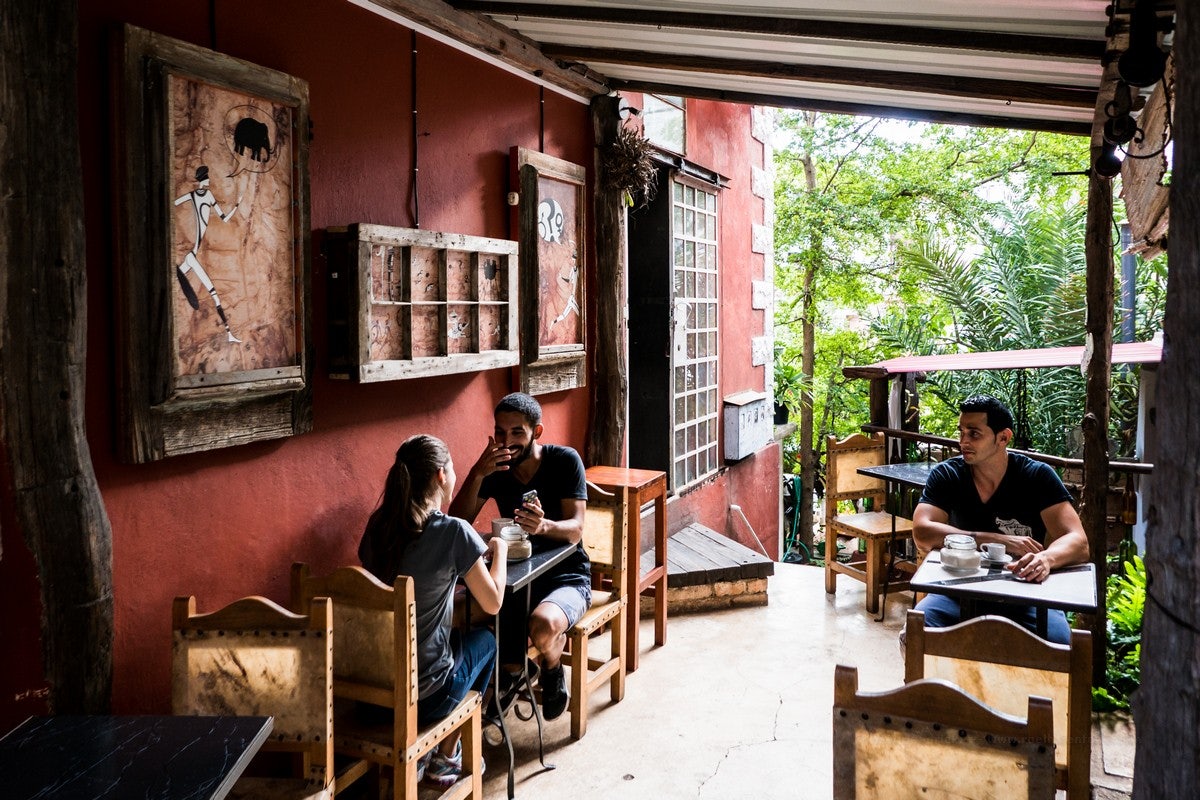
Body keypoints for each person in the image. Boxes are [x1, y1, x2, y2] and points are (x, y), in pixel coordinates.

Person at [359, 434, 508, 788]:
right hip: (425, 698)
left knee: (452, 640)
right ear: (441, 475)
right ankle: (445, 755)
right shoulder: (453, 532)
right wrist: (498, 550)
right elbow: (493, 602)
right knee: (487, 642)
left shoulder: (378, 526)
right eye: (454, 468)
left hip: (373, 694)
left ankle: (427, 755)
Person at [448, 392, 589, 722]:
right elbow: (459, 518)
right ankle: (509, 670)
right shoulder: (497, 469)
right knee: (456, 615)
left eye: (516, 433)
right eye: (500, 432)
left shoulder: (564, 461)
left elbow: (576, 529)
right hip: (513, 580)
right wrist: (478, 473)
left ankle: (552, 664)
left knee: (543, 626)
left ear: (536, 433)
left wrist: (543, 526)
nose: (506, 441)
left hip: (566, 575)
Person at [911, 394, 1090, 644]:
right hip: (959, 590)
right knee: (917, 631)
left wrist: (1045, 558)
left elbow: (1078, 541)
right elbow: (922, 531)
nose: (963, 441)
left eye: (974, 434)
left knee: (1061, 646)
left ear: (1003, 437)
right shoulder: (948, 475)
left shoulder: (1036, 476)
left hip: (1026, 593)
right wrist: (995, 540)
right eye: (961, 432)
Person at [174, 165, 243, 343]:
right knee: (213, 292)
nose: (209, 180)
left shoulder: (194, 195)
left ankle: (229, 334)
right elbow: (225, 218)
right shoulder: (206, 196)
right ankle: (229, 333)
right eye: (208, 178)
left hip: (193, 255)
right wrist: (237, 204)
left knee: (177, 278)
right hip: (193, 254)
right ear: (204, 179)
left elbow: (173, 203)